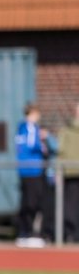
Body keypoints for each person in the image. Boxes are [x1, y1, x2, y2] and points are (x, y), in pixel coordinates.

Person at [15, 103, 49, 247]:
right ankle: (28, 233)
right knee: (32, 202)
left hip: (25, 170)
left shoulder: (21, 128)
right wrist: (42, 145)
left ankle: (24, 232)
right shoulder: (30, 128)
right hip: (32, 170)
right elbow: (32, 146)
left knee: (26, 201)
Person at [57, 102, 79, 243]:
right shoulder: (66, 130)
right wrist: (58, 171)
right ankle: (71, 233)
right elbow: (61, 152)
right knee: (70, 206)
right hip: (71, 172)